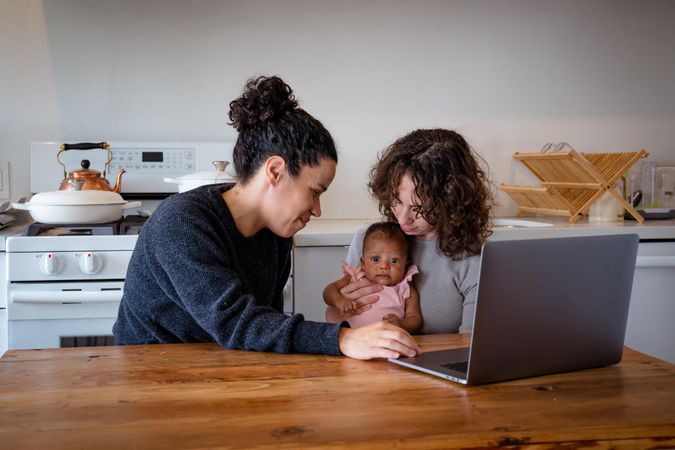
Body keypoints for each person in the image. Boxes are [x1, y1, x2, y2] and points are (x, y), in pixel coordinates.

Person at [113, 75, 420, 360]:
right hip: (151, 374)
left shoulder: (276, 234)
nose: (317, 209)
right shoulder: (181, 224)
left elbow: (264, 328)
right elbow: (237, 323)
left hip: (222, 366)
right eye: (315, 191)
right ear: (275, 171)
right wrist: (342, 339)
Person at [324, 129, 493, 334]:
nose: (403, 219)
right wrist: (339, 312)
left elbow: (469, 348)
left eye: (418, 209)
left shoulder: (473, 261)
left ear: (451, 202)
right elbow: (335, 314)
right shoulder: (369, 239)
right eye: (396, 201)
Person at [326, 222, 422, 334]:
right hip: (351, 342)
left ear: (405, 266)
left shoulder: (405, 289)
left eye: (394, 261)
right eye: (376, 259)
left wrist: (401, 323)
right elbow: (329, 290)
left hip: (387, 344)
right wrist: (339, 301)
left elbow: (415, 319)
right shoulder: (355, 277)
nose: (384, 266)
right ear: (363, 263)